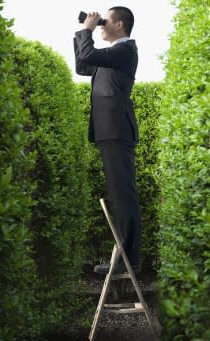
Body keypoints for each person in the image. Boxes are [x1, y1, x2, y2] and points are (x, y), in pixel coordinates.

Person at [73, 7, 141, 274]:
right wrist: (84, 32)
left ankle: (130, 260)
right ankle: (126, 257)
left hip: (117, 130)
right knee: (118, 193)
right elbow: (82, 65)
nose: (101, 25)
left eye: (105, 22)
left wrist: (87, 29)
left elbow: (88, 53)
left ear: (120, 25)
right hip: (108, 131)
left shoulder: (124, 50)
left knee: (123, 194)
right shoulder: (109, 56)